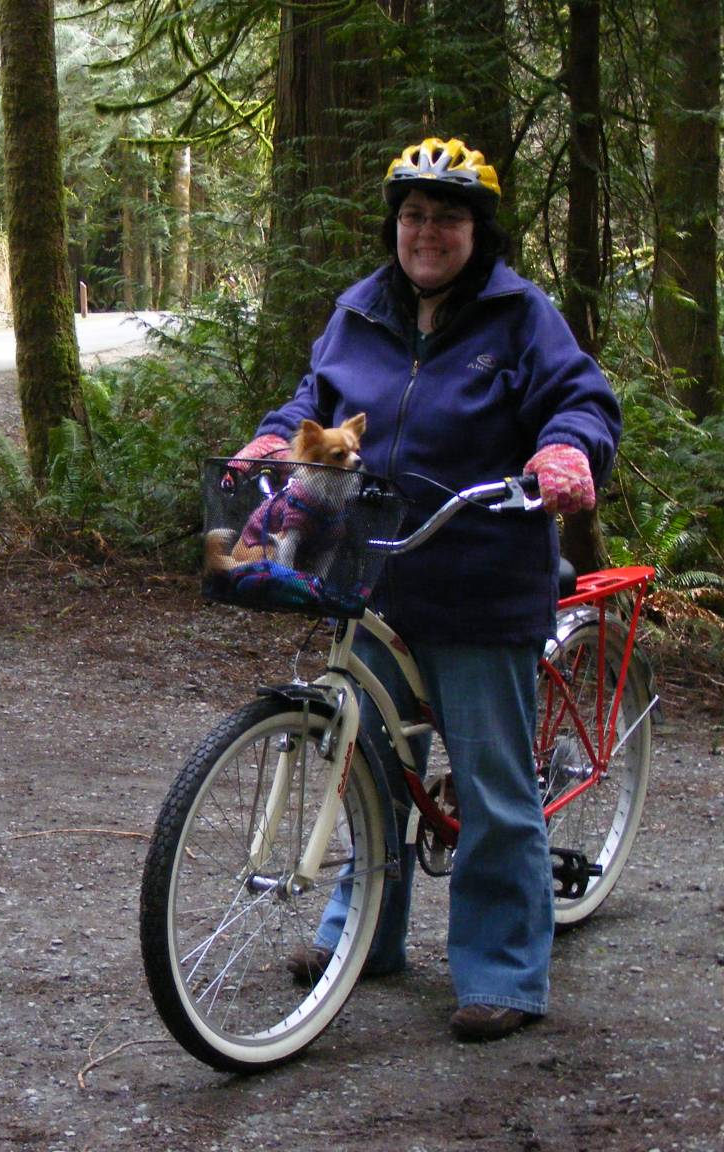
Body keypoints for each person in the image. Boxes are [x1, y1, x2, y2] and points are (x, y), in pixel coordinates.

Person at [229, 137, 622, 1042]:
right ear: (394, 225)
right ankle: (363, 937)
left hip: (481, 575)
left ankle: (502, 973)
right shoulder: (358, 311)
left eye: (447, 217)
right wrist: (275, 436)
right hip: (370, 572)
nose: (427, 232)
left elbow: (583, 399)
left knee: (491, 786)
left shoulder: (521, 316)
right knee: (369, 767)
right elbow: (312, 403)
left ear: (478, 232)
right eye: (413, 214)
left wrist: (566, 450)